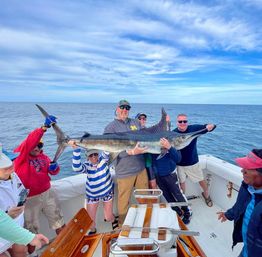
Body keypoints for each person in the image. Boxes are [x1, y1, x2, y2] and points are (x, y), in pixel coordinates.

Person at [13, 115, 65, 240]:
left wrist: (55, 168)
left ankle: (67, 244)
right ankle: (33, 253)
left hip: (48, 194)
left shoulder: (44, 157)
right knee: (31, 231)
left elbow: (53, 172)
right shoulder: (21, 157)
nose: (37, 148)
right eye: (34, 145)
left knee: (59, 222)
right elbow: (30, 140)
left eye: (40, 146)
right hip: (29, 199)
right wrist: (43, 128)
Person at [104, 100, 148, 225]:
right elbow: (108, 148)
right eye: (122, 107)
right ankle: (122, 227)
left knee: (144, 198)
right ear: (117, 108)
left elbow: (145, 138)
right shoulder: (111, 127)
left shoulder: (135, 123)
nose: (125, 110)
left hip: (140, 168)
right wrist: (130, 152)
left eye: (127, 108)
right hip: (124, 171)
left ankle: (145, 221)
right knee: (124, 202)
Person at [217, 149, 262, 257]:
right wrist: (229, 214)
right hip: (247, 248)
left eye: (247, 169)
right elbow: (241, 205)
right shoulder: (247, 186)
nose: (242, 171)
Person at [68, 140, 118, 234]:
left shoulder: (104, 161)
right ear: (87, 157)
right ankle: (93, 230)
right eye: (91, 155)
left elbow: (107, 149)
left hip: (107, 193)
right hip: (92, 196)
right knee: (90, 220)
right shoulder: (87, 166)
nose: (94, 157)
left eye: (95, 154)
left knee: (108, 217)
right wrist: (76, 150)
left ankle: (114, 219)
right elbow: (76, 168)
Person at [173, 113, 215, 207]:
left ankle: (206, 195)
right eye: (180, 121)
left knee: (201, 180)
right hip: (179, 164)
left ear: (187, 122)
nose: (182, 123)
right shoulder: (173, 133)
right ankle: (182, 200)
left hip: (192, 162)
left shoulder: (193, 129)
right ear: (177, 123)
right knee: (182, 183)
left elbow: (206, 127)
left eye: (185, 121)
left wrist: (210, 126)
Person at [151, 138, 192, 224]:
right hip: (158, 175)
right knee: (167, 195)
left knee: (178, 194)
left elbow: (178, 159)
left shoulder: (172, 141)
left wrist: (169, 147)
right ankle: (178, 211)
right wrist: (152, 176)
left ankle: (188, 211)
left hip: (170, 173)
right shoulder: (152, 141)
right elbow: (150, 160)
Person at [0, 147, 29, 257]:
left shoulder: (13, 175)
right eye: (5, 167)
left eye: (11, 161)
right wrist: (7, 216)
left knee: (22, 251)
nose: (10, 166)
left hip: (17, 224)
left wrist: (22, 201)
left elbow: (21, 190)